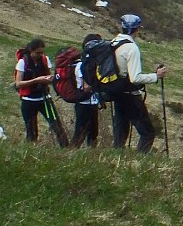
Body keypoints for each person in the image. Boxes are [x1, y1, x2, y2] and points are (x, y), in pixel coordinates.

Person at [111, 14, 166, 153]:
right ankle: (138, 162)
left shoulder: (113, 43)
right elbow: (135, 78)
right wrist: (156, 76)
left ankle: (116, 159)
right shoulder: (131, 48)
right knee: (147, 133)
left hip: (116, 92)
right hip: (130, 95)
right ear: (136, 29)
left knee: (120, 133)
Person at [14, 38, 67, 147]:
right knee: (32, 131)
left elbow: (48, 75)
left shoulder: (45, 59)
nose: (40, 55)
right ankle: (31, 151)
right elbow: (18, 84)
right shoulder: (22, 62)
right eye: (38, 53)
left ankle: (66, 148)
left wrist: (50, 79)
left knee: (57, 126)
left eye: (42, 52)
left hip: (45, 98)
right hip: (29, 100)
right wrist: (37, 80)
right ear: (31, 50)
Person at [70, 33, 102, 148]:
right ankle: (71, 154)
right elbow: (86, 87)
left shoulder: (92, 64)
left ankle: (91, 157)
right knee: (80, 133)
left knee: (93, 134)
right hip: (83, 102)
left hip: (92, 102)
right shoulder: (81, 65)